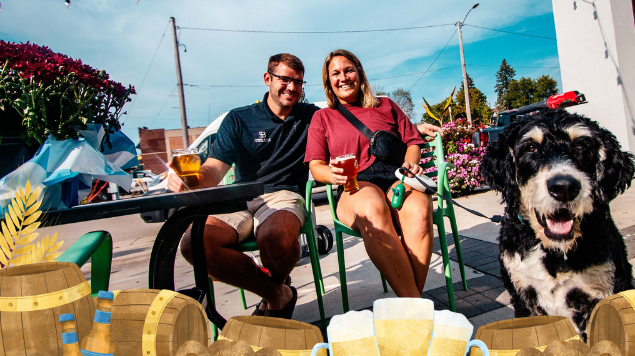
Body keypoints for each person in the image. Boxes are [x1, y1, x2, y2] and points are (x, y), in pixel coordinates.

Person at [167, 52, 441, 318]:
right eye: (285, 79)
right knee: (193, 244)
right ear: (267, 79)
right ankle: (276, 294)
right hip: (240, 197)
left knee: (275, 237)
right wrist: (190, 179)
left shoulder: (310, 115)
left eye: (298, 82)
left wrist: (414, 128)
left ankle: (412, 307)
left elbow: (365, 120)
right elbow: (213, 169)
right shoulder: (240, 119)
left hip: (284, 195)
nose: (291, 87)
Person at [306, 49, 434, 298]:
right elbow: (316, 165)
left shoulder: (386, 105)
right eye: (336, 73)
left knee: (419, 210)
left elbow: (412, 141)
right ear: (328, 81)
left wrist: (410, 164)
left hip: (396, 176)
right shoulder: (322, 117)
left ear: (360, 74)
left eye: (349, 70)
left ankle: (412, 305)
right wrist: (333, 175)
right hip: (355, 182)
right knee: (372, 209)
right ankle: (416, 305)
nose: (343, 77)